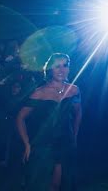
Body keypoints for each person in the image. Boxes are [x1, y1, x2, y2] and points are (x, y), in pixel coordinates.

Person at [15, 53, 82, 191]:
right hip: (44, 145)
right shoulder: (39, 92)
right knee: (43, 184)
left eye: (65, 66)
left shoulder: (74, 90)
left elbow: (78, 113)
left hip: (65, 143)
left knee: (61, 184)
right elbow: (20, 118)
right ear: (50, 69)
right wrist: (27, 144)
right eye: (57, 66)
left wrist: (74, 136)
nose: (61, 70)